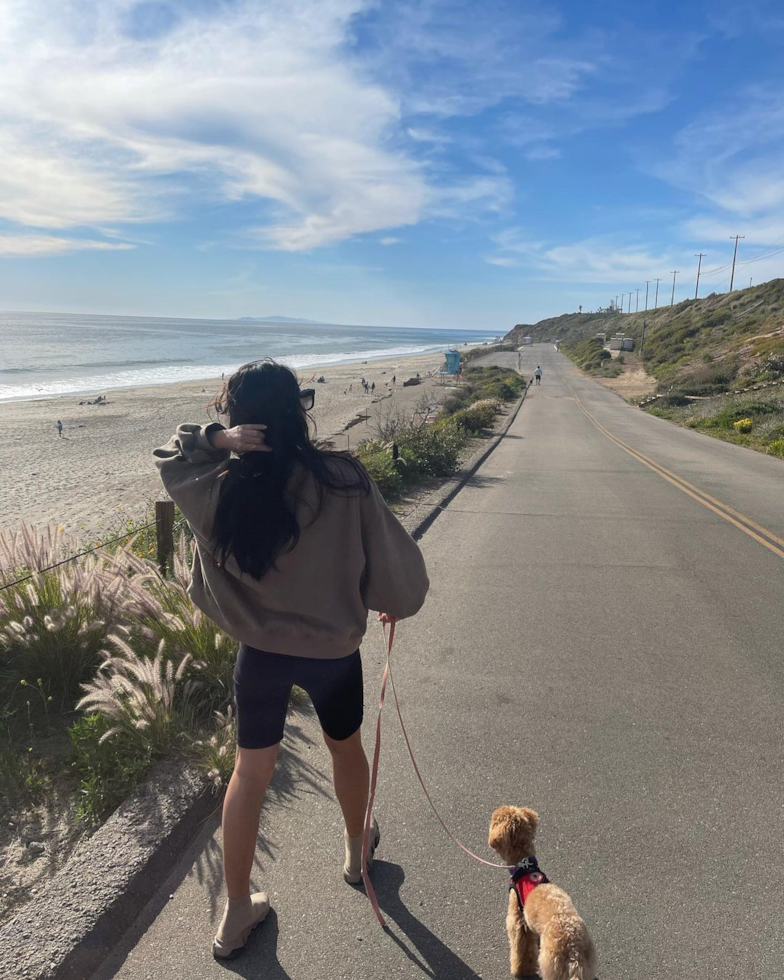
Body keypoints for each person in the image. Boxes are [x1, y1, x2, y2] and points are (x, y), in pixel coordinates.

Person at [153, 360, 428, 960]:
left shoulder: (219, 487)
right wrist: (390, 601)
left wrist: (216, 441)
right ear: (298, 409)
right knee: (345, 750)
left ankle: (235, 913)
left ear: (238, 419)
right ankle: (358, 856)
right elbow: (392, 561)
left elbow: (171, 455)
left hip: (261, 656)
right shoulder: (343, 477)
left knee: (249, 775)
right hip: (333, 654)